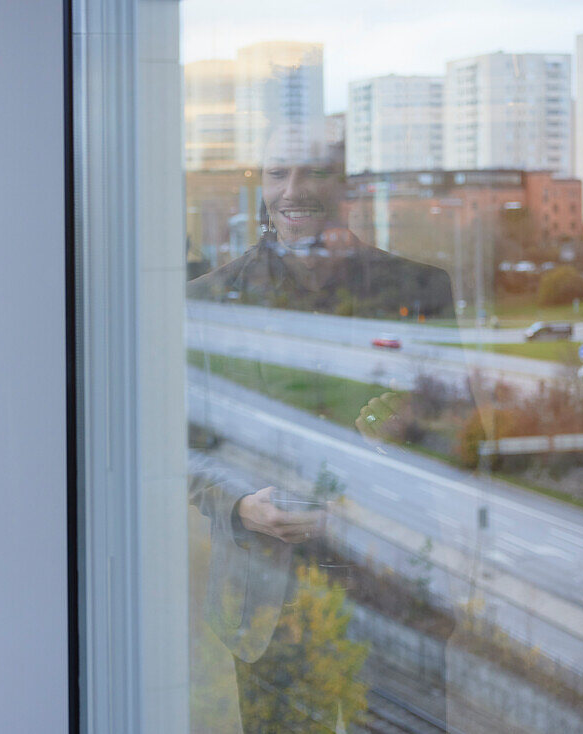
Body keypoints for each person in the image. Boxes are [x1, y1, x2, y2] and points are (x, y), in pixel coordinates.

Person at [187, 127, 458, 732]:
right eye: (279, 173)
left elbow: (459, 436)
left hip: (394, 593)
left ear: (344, 185)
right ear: (260, 184)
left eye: (312, 173)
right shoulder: (209, 301)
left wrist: (415, 426)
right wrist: (239, 504)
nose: (294, 190)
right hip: (264, 601)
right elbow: (183, 449)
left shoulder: (421, 290)